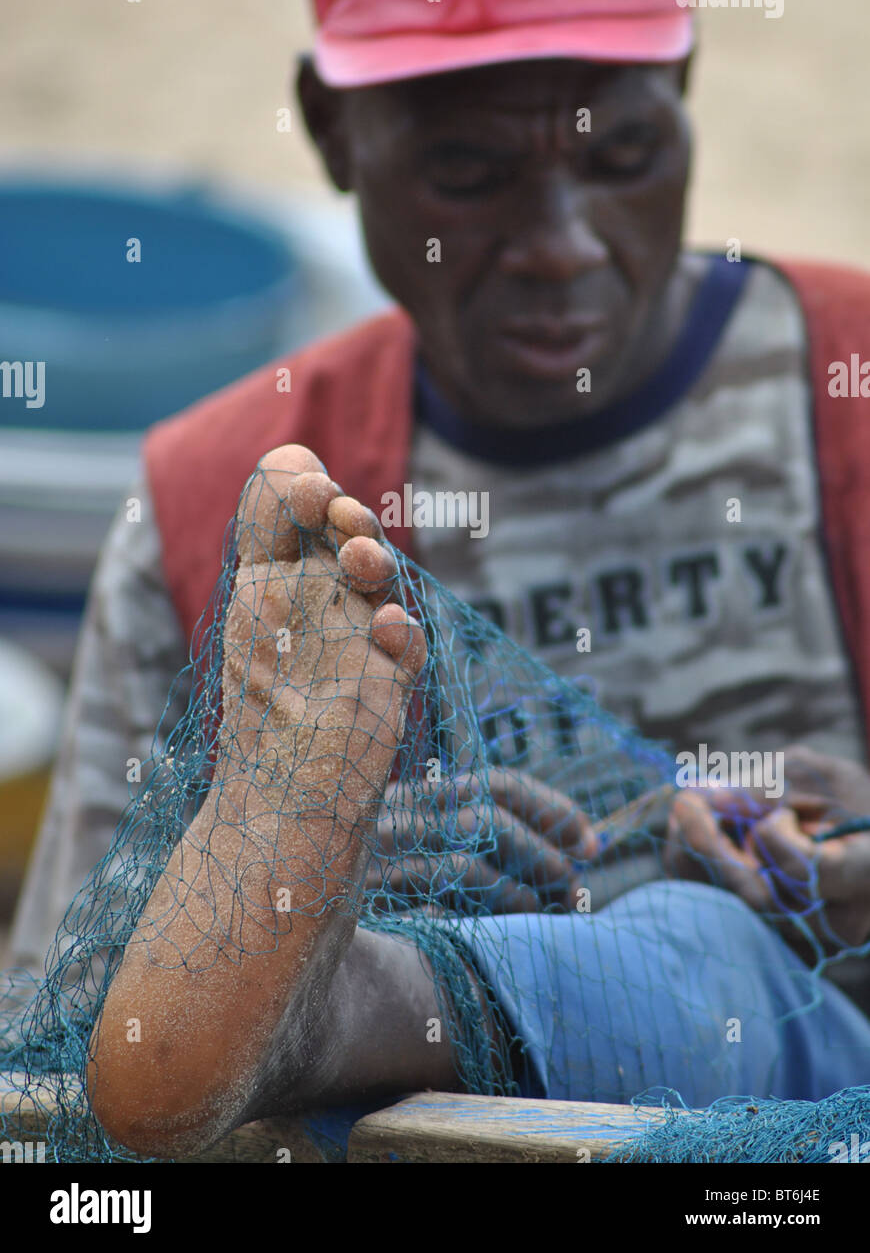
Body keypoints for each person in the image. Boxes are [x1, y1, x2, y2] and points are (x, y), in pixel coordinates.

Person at [10, 0, 870, 1017]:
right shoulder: (231, 507)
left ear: (686, 81)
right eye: (469, 173)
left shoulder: (843, 395)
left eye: (621, 157)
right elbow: (58, 1059)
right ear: (331, 132)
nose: (561, 244)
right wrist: (301, 894)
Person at [86, 447, 870, 1159]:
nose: (554, 278)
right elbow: (77, 979)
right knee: (684, 958)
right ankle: (310, 1004)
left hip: (806, 1061)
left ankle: (317, 1012)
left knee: (708, 947)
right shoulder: (176, 507)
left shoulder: (841, 400)